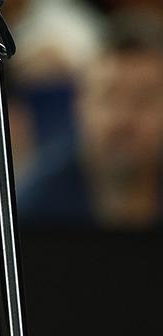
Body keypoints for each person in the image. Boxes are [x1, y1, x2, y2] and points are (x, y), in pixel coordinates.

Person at [19, 12, 163, 229]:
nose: (123, 119)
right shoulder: (33, 210)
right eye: (109, 97)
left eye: (144, 99)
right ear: (79, 105)